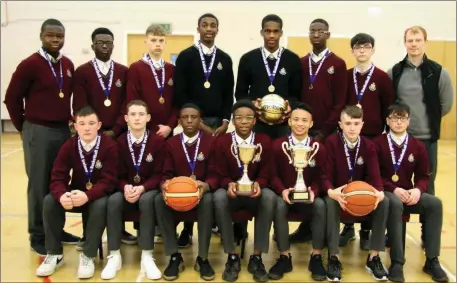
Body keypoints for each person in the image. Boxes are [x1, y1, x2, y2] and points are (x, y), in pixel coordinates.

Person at [3, 18, 80, 256]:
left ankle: (57, 229)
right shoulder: (30, 65)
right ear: (41, 36)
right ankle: (37, 234)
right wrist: (24, 127)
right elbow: (11, 98)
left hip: (62, 131)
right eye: (50, 35)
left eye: (59, 36)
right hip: (38, 130)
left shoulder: (67, 64)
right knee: (39, 185)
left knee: (58, 183)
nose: (55, 40)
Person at [387, 25, 453, 248]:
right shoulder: (394, 71)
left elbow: (445, 105)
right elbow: (389, 103)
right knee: (397, 186)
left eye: (417, 40)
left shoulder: (439, 72)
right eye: (410, 40)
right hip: (398, 140)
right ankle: (394, 232)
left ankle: (427, 233)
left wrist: (427, 122)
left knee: (427, 187)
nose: (413, 44)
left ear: (425, 42)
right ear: (405, 43)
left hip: (426, 139)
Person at [35, 106, 118, 279]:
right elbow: (57, 177)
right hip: (75, 193)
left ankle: (88, 255)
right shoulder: (69, 146)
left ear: (99, 125)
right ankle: (54, 253)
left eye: (91, 123)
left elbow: (109, 181)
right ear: (75, 126)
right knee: (50, 201)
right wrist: (61, 194)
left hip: (97, 195)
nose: (87, 128)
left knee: (101, 203)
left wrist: (88, 195)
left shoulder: (109, 146)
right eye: (82, 123)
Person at [173, 13, 234, 246]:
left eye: (213, 25)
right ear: (198, 28)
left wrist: (226, 121)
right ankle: (187, 229)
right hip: (193, 123)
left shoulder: (225, 59)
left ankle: (217, 221)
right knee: (192, 171)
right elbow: (181, 93)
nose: (209, 29)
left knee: (215, 169)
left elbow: (229, 93)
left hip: (219, 125)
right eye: (205, 25)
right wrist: (197, 123)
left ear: (218, 29)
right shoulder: (187, 57)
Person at [73, 27, 134, 248]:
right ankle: (89, 232)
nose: (105, 45)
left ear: (113, 45)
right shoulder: (82, 72)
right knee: (90, 180)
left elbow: (126, 104)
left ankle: (120, 228)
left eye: (108, 42)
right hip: (92, 136)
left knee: (118, 180)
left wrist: (116, 129)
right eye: (100, 42)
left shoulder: (123, 72)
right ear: (93, 46)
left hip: (118, 135)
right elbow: (80, 105)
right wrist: (95, 131)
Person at [374, 103, 448, 283]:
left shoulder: (417, 145)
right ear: (387, 121)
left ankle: (431, 260)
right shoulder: (377, 144)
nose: (398, 122)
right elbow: (374, 176)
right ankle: (397, 263)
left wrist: (418, 189)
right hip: (388, 192)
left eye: (402, 118)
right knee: (395, 203)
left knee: (434, 203)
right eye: (394, 118)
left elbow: (424, 176)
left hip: (409, 192)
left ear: (408, 121)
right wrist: (394, 189)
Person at [292, 18, 348, 243]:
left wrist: (324, 131)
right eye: (312, 31)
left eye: (320, 31)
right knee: (305, 177)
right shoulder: (301, 62)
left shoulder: (338, 63)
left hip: (328, 133)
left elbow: (340, 101)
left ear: (328, 34)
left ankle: (326, 231)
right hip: (303, 132)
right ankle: (306, 227)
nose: (316, 34)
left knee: (325, 179)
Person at [213, 100, 277, 283]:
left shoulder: (264, 141)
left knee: (270, 197)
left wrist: (260, 183)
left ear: (255, 121)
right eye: (239, 118)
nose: (243, 121)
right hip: (232, 193)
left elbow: (267, 170)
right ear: (232, 120)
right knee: (218, 197)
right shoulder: (222, 141)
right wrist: (228, 184)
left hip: (254, 193)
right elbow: (218, 171)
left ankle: (256, 257)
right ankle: (232, 256)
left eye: (248, 117)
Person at [322, 105, 388, 281]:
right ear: (340, 124)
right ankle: (333, 257)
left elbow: (375, 175)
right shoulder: (330, 142)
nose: (352, 127)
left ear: (362, 125)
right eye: (348, 123)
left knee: (385, 201)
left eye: (356, 123)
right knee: (329, 202)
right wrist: (330, 191)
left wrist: (379, 192)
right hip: (337, 194)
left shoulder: (368, 145)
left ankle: (373, 257)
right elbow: (324, 174)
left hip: (359, 194)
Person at [100, 100, 165, 280]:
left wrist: (143, 188)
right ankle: (114, 255)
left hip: (149, 189)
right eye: (133, 115)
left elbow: (161, 174)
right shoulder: (117, 144)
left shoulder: (158, 142)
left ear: (148, 118)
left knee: (146, 200)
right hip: (126, 188)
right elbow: (113, 174)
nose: (137, 118)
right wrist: (125, 187)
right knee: (113, 201)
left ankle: (147, 254)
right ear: (126, 118)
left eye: (141, 114)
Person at [342, 33, 395, 250]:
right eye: (357, 46)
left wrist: (381, 136)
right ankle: (347, 227)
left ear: (373, 49)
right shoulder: (345, 76)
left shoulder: (382, 78)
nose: (362, 50)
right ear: (352, 51)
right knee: (347, 178)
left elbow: (388, 108)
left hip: (371, 137)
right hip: (348, 135)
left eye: (366, 46)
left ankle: (366, 230)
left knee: (368, 182)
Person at [156, 103, 219, 281]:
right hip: (178, 195)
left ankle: (203, 258)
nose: (189, 120)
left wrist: (206, 186)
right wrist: (165, 184)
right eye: (185, 117)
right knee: (159, 200)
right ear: (179, 121)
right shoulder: (171, 144)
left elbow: (216, 173)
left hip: (202, 192)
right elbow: (165, 173)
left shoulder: (211, 142)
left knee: (207, 201)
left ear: (200, 120)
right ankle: (174, 256)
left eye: (194, 117)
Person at [269, 103, 327, 281]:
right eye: (296, 119)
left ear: (311, 124)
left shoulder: (318, 148)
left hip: (309, 195)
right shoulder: (278, 145)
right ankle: (284, 256)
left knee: (320, 205)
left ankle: (316, 256)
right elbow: (272, 175)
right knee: (279, 204)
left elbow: (322, 175)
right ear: (289, 121)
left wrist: (314, 191)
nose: (299, 124)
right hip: (286, 194)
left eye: (304, 120)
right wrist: (282, 190)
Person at [235, 14, 301, 139]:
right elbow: (240, 94)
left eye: (276, 31)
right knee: (258, 156)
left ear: (281, 33)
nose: (271, 35)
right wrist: (253, 104)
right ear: (261, 32)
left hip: (283, 124)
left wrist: (288, 106)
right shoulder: (248, 59)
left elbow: (296, 94)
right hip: (256, 123)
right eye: (267, 31)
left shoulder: (292, 59)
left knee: (281, 156)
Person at [126, 24, 178, 139]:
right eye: (153, 40)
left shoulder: (172, 69)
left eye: (161, 40)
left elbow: (177, 101)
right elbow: (133, 100)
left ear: (165, 43)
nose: (158, 44)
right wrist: (144, 124)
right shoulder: (136, 68)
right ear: (146, 41)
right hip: (144, 130)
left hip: (168, 131)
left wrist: (170, 126)